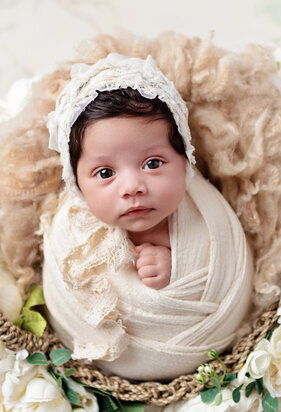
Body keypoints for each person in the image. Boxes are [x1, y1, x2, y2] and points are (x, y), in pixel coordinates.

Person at [41, 53, 254, 381]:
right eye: (105, 172)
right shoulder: (72, 237)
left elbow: (227, 270)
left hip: (204, 351)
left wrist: (177, 266)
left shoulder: (208, 219)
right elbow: (70, 298)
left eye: (153, 163)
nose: (132, 187)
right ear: (76, 183)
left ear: (185, 160)